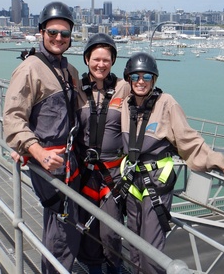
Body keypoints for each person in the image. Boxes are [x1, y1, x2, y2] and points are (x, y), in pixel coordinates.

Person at [120, 52, 224, 274]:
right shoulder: (127, 105)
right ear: (128, 79)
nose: (141, 81)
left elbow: (188, 139)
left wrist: (220, 162)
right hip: (133, 181)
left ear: (154, 79)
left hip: (156, 183)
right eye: (135, 77)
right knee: (133, 242)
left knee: (151, 250)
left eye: (146, 76)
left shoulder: (166, 103)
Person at [3, 1, 81, 273]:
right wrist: (34, 150)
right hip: (48, 160)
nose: (59, 38)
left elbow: (81, 109)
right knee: (61, 225)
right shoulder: (29, 69)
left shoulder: (69, 71)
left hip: (69, 160)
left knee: (65, 224)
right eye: (52, 32)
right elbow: (13, 118)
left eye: (65, 34)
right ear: (41, 33)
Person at [75, 33, 130, 274]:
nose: (101, 64)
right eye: (96, 59)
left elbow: (147, 115)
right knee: (86, 225)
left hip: (112, 170)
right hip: (85, 170)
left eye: (106, 60)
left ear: (113, 62)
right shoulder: (76, 89)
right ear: (87, 59)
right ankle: (93, 268)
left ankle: (114, 266)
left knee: (110, 228)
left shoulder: (124, 88)